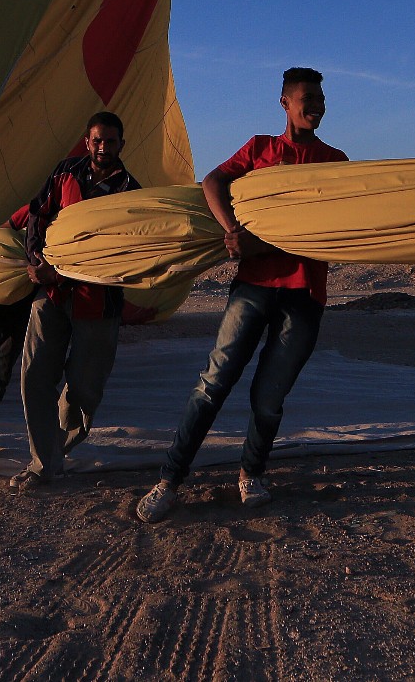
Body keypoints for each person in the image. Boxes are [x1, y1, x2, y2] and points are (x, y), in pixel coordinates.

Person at [136, 68, 346, 523]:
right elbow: (213, 183)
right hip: (253, 287)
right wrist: (233, 232)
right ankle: (169, 480)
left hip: (304, 293)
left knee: (269, 397)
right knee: (213, 385)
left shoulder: (335, 161)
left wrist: (259, 242)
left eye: (322, 97)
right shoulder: (259, 149)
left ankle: (252, 474)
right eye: (308, 97)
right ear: (285, 103)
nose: (318, 105)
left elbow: (325, 227)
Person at [7, 111, 143, 491]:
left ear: (121, 145)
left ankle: (56, 448)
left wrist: (61, 272)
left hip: (99, 304)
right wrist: (36, 262)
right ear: (87, 141)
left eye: (110, 142)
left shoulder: (131, 192)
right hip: (50, 296)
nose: (103, 148)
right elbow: (38, 215)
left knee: (84, 392)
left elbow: (122, 254)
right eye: (97, 141)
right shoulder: (65, 173)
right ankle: (43, 464)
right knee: (34, 377)